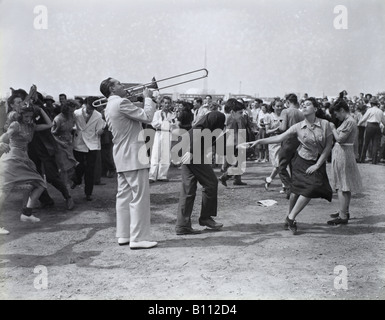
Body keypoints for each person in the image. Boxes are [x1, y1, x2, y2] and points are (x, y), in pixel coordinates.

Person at [247, 97, 333, 234]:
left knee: (311, 188)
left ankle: (291, 217)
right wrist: (259, 142)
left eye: (308, 105)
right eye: (303, 105)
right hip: (301, 161)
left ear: (315, 109)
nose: (304, 106)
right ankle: (289, 218)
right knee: (295, 192)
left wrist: (318, 164)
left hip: (317, 161)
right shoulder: (297, 127)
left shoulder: (326, 124)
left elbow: (328, 146)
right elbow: (279, 137)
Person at [100, 77, 157, 250]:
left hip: (121, 155)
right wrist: (148, 97)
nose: (123, 85)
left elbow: (133, 114)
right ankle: (139, 238)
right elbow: (147, 117)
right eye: (118, 84)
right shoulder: (121, 102)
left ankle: (124, 235)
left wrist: (140, 100)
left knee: (124, 197)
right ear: (111, 88)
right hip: (133, 155)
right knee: (139, 198)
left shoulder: (110, 105)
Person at [0, 103, 53, 234]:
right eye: (25, 116)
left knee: (40, 184)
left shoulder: (31, 126)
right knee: (4, 192)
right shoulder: (15, 125)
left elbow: (49, 125)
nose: (28, 118)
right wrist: (1, 143)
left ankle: (27, 213)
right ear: (20, 115)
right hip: (11, 160)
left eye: (30, 116)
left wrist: (40, 109)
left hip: (24, 160)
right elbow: (6, 136)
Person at [176, 109, 226, 235]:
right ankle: (205, 218)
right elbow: (197, 138)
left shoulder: (204, 126)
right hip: (193, 154)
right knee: (211, 183)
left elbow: (216, 144)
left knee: (188, 190)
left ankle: (182, 225)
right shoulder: (202, 129)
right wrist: (192, 151)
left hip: (188, 152)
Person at [327, 98, 363, 225]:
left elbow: (340, 139)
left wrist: (332, 128)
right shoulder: (350, 121)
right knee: (345, 185)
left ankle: (342, 216)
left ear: (342, 110)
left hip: (343, 153)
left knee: (342, 186)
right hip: (344, 152)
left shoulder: (349, 121)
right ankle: (344, 210)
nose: (336, 116)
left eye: (336, 113)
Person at [71, 96, 106, 201]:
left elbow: (100, 129)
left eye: (92, 109)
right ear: (84, 104)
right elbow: (71, 125)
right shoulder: (76, 113)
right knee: (79, 166)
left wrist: (101, 131)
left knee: (90, 169)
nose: (90, 111)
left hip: (92, 144)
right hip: (79, 142)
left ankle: (88, 193)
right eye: (88, 109)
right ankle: (76, 181)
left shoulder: (98, 115)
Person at [277, 93, 305, 198]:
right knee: (294, 167)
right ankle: (296, 189)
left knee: (281, 167)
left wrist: (277, 127)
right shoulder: (301, 113)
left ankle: (290, 188)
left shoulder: (285, 111)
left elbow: (283, 128)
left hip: (287, 141)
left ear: (288, 102)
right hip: (298, 142)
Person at [218, 98, 247, 186]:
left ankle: (237, 179)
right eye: (240, 112)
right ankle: (225, 176)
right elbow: (241, 130)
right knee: (239, 162)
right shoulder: (237, 118)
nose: (241, 113)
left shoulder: (227, 117)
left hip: (229, 142)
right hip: (236, 142)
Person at [148, 96, 177, 183]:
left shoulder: (172, 114)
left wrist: (170, 123)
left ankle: (162, 175)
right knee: (156, 153)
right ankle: (152, 176)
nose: (167, 105)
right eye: (165, 103)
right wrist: (165, 122)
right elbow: (154, 124)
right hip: (159, 133)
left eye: (168, 103)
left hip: (168, 134)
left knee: (165, 154)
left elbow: (174, 125)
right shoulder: (157, 113)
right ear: (161, 104)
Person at [51, 100, 78, 186]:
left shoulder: (72, 117)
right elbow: (51, 134)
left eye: (73, 111)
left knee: (70, 166)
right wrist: (60, 142)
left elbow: (72, 128)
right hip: (59, 145)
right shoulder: (58, 119)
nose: (72, 112)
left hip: (69, 143)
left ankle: (67, 183)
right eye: (70, 111)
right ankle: (65, 187)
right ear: (66, 109)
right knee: (63, 168)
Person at [263, 100, 284, 191]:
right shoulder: (268, 116)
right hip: (274, 142)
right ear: (273, 106)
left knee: (282, 164)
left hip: (283, 140)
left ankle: (284, 185)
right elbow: (267, 131)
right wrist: (278, 129)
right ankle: (270, 179)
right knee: (277, 164)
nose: (279, 108)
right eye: (278, 106)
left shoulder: (284, 115)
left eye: (281, 106)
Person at [357, 97, 385, 164]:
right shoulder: (380, 111)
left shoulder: (369, 110)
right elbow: (384, 122)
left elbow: (363, 118)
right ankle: (374, 160)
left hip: (369, 126)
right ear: (377, 104)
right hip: (377, 126)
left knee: (365, 143)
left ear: (371, 104)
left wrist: (358, 124)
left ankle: (362, 159)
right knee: (375, 144)